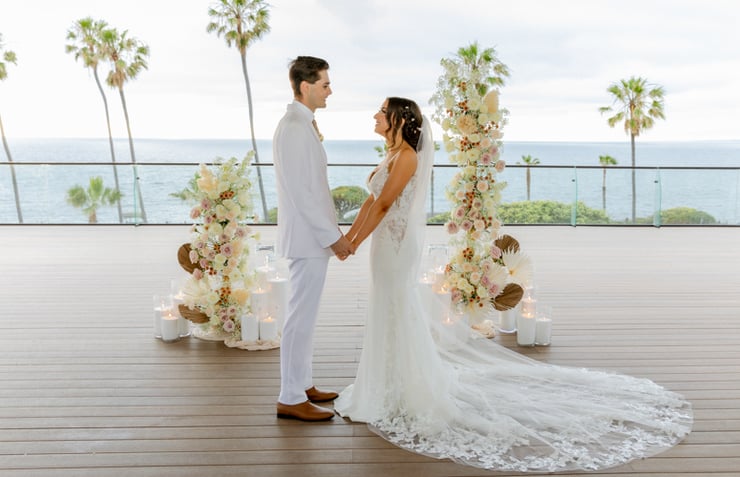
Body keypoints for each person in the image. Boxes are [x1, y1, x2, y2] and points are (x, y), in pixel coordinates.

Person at [334, 97, 693, 472]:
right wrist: (351, 238)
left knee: (395, 307)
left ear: (397, 118)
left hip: (394, 245)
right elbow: (370, 202)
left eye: (380, 110)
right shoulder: (390, 154)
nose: (374, 115)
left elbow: (386, 205)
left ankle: (400, 386)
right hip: (382, 245)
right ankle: (383, 381)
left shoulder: (407, 156)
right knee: (385, 307)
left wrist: (354, 243)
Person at [273, 56, 354, 422]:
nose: (330, 90)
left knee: (305, 316)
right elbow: (302, 193)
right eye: (325, 84)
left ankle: (302, 384)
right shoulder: (293, 127)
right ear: (305, 87)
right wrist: (333, 237)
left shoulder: (300, 124)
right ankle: (290, 396)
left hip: (311, 240)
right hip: (307, 240)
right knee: (298, 318)